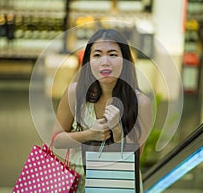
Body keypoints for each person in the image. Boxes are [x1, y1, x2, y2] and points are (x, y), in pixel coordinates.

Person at [52, 28, 153, 192]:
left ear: (125, 60)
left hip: (117, 184)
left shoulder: (141, 103)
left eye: (113, 54)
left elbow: (135, 157)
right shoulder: (74, 93)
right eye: (97, 55)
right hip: (77, 184)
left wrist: (118, 130)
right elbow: (56, 140)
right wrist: (90, 134)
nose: (105, 62)